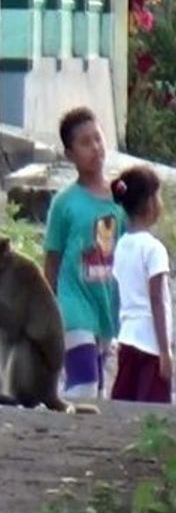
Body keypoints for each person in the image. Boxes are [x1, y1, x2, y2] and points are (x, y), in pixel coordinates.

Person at [43, 107, 127, 399]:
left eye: (98, 139)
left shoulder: (120, 198)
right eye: (85, 143)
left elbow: (128, 249)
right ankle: (65, 439)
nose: (95, 148)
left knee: (100, 388)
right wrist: (49, 307)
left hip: (106, 305)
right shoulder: (64, 203)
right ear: (70, 154)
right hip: (73, 305)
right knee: (84, 384)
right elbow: (52, 259)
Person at [110, 166, 172, 404]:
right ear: (149, 203)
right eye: (157, 196)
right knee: (153, 413)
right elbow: (157, 300)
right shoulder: (154, 248)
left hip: (127, 338)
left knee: (126, 405)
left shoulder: (122, 245)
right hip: (150, 342)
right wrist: (165, 351)